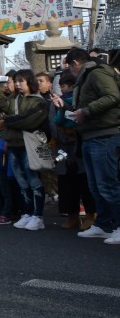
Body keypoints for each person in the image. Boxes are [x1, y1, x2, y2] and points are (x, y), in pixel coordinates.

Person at [63, 48, 120, 244]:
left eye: (69, 68)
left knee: (107, 184)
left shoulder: (96, 73)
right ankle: (104, 224)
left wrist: (85, 111)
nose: (70, 73)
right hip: (90, 135)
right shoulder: (87, 77)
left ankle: (118, 225)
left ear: (75, 64)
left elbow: (113, 96)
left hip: (105, 134)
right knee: (96, 186)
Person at [0, 69, 49, 231]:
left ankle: (38, 215)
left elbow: (29, 122)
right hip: (14, 144)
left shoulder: (39, 101)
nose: (17, 84)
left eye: (21, 81)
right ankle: (27, 213)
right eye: (15, 81)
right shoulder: (13, 99)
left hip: (29, 145)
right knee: (22, 182)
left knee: (34, 181)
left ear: (30, 82)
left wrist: (7, 120)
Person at [50, 72, 97, 231]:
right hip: (62, 145)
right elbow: (52, 122)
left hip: (78, 143)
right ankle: (72, 216)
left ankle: (91, 215)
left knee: (83, 181)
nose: (61, 89)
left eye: (63, 86)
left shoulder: (79, 99)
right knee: (66, 183)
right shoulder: (55, 101)